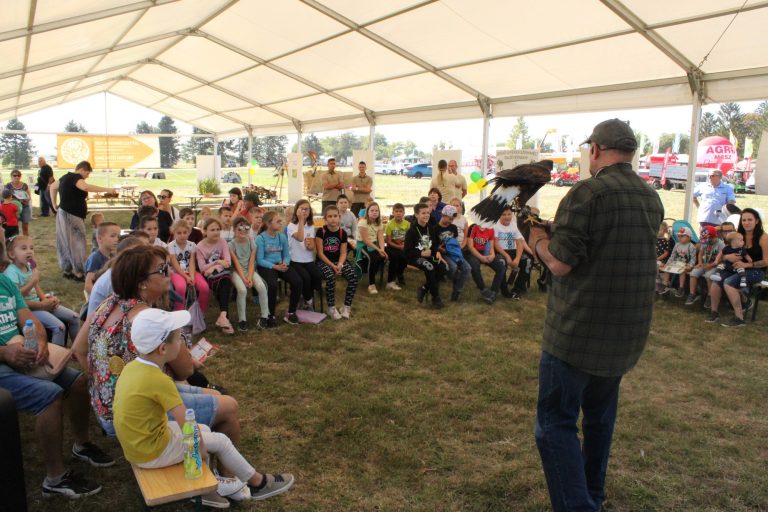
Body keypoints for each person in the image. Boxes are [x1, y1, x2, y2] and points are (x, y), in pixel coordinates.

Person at [528, 118, 664, 512]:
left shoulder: (587, 193)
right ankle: (593, 497)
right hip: (624, 336)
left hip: (576, 335)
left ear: (596, 150)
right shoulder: (651, 197)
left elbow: (560, 264)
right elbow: (608, 243)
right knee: (599, 422)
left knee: (554, 425)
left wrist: (537, 238)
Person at [113, 308, 294, 504]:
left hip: (138, 446)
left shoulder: (132, 367)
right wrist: (200, 450)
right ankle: (258, 483)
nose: (181, 343)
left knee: (205, 430)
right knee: (219, 441)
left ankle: (208, 489)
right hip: (152, 452)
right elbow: (187, 425)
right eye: (179, 339)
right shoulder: (159, 380)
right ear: (163, 349)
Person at [72, 246, 242, 445]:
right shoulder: (149, 319)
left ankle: (204, 454)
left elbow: (78, 349)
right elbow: (185, 370)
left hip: (110, 409)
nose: (169, 272)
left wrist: (103, 384)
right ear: (142, 283)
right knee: (229, 406)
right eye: (162, 269)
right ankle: (214, 463)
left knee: (215, 394)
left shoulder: (107, 305)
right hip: (138, 414)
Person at [0, 248, 112, 499]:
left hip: (21, 351)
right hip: (3, 363)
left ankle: (81, 445)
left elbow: (29, 318)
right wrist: (5, 353)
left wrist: (40, 342)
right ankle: (55, 479)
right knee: (49, 396)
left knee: (78, 382)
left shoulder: (4, 282)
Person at [2, 236, 81, 347]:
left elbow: (36, 287)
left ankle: (77, 350)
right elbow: (16, 296)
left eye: (31, 248)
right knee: (59, 327)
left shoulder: (29, 266)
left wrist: (45, 300)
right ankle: (56, 355)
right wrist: (33, 282)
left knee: (75, 317)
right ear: (12, 254)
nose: (29, 251)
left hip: (39, 303)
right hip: (29, 309)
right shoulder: (11, 272)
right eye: (24, 248)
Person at [50, 161, 115, 282]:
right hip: (72, 216)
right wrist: (108, 189)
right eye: (87, 173)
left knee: (65, 242)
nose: (87, 177)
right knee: (78, 242)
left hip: (63, 213)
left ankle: (67, 270)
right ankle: (79, 273)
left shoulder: (65, 177)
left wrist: (54, 204)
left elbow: (53, 187)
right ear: (82, 169)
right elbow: (85, 187)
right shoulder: (75, 177)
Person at [707, 208, 767, 327]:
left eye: (750, 220)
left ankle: (739, 318)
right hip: (735, 267)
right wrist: (727, 257)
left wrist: (747, 264)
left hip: (755, 271)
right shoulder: (738, 235)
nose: (746, 223)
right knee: (716, 280)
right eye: (744, 220)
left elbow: (766, 261)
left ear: (757, 221)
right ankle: (714, 312)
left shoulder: (764, 238)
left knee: (729, 282)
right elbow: (724, 252)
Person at [256, 211, 302, 326]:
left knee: (297, 281)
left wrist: (285, 263)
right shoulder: (260, 238)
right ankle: (270, 315)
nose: (281, 223)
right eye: (278, 221)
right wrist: (274, 266)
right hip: (267, 266)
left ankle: (291, 312)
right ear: (268, 223)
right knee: (272, 285)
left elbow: (286, 255)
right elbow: (260, 260)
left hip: (280, 265)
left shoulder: (281, 237)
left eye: (280, 221)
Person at [315, 205, 357, 320]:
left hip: (338, 261)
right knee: (330, 276)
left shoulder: (342, 233)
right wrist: (332, 266)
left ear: (339, 217)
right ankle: (331, 308)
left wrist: (339, 265)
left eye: (335, 216)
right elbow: (320, 253)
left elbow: (343, 253)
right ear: (325, 219)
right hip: (323, 262)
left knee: (353, 277)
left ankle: (346, 307)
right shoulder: (321, 231)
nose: (333, 219)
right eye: (330, 216)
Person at [229, 216, 269, 331]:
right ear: (234, 229)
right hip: (236, 272)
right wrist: (244, 278)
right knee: (242, 290)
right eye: (239, 228)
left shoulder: (252, 242)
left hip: (250, 270)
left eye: (246, 228)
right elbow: (236, 264)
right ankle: (242, 320)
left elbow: (252, 262)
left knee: (261, 287)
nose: (243, 230)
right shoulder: (231, 245)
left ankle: (265, 316)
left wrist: (250, 277)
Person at [196, 218, 234, 334]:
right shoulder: (199, 247)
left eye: (218, 229)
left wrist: (214, 268)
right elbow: (203, 268)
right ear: (205, 231)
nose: (216, 232)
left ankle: (223, 317)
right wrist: (217, 262)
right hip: (207, 277)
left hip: (220, 273)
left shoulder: (222, 242)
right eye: (212, 230)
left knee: (225, 281)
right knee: (224, 283)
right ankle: (225, 320)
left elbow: (227, 262)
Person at [404, 203, 444, 309]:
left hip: (429, 256)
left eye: (428, 213)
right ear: (417, 215)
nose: (426, 215)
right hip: (414, 257)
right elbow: (407, 252)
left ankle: (424, 288)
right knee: (430, 268)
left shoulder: (431, 228)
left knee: (442, 268)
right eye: (423, 213)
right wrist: (420, 253)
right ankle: (435, 297)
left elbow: (434, 245)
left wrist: (437, 252)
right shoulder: (411, 231)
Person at [167, 219, 209, 314]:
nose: (182, 235)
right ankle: (179, 313)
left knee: (204, 287)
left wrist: (192, 276)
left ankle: (200, 313)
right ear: (174, 233)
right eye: (179, 233)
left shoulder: (192, 245)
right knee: (180, 287)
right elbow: (175, 264)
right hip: (176, 272)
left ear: (189, 232)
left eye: (185, 232)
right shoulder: (171, 246)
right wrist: (186, 277)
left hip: (190, 271)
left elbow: (192, 262)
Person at [286, 199, 322, 310]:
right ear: (296, 210)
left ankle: (305, 294)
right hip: (295, 260)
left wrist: (310, 246)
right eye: (301, 209)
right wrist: (301, 220)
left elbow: (312, 245)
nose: (304, 211)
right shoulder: (291, 225)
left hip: (308, 259)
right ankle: (308, 299)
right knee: (305, 277)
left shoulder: (310, 225)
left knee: (317, 276)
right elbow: (300, 238)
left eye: (307, 209)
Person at [494, 205, 532, 300]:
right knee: (502, 263)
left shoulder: (513, 224)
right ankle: (505, 291)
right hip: (501, 251)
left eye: (509, 214)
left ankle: (517, 289)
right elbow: (496, 244)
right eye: (504, 215)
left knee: (527, 262)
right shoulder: (495, 226)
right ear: (499, 215)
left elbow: (519, 242)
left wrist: (517, 259)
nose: (507, 217)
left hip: (513, 250)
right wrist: (507, 257)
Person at [434, 204, 470, 302]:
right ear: (443, 215)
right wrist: (441, 249)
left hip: (453, 252)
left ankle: (457, 290)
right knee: (453, 268)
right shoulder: (435, 228)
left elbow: (454, 241)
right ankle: (454, 278)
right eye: (449, 219)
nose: (451, 221)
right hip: (443, 254)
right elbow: (434, 246)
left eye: (452, 219)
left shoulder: (453, 227)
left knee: (467, 268)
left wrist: (456, 250)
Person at [465, 222, 506, 304]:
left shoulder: (491, 228)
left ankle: (494, 292)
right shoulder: (473, 227)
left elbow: (491, 246)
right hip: (473, 253)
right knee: (474, 266)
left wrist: (492, 255)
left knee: (501, 266)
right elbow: (470, 247)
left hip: (485, 252)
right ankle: (483, 289)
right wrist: (481, 257)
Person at [685, 225, 724, 305]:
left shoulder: (721, 244)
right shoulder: (705, 242)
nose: (707, 241)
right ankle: (692, 294)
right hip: (704, 264)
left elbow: (721, 259)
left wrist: (711, 266)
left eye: (709, 239)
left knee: (709, 276)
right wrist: (700, 263)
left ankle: (710, 296)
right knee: (693, 273)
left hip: (715, 265)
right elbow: (701, 253)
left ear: (715, 236)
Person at [357, 201, 388, 294]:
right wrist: (378, 249)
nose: (374, 212)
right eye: (372, 210)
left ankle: (378, 276)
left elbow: (381, 238)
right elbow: (366, 240)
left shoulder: (379, 223)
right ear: (367, 212)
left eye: (376, 211)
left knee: (382, 256)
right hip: (363, 245)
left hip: (374, 244)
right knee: (373, 258)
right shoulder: (362, 222)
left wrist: (382, 249)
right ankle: (371, 284)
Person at [658, 226, 697, 297]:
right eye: (679, 236)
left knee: (682, 271)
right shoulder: (677, 245)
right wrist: (667, 264)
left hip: (685, 264)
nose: (679, 238)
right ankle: (665, 285)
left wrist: (690, 266)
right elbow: (672, 256)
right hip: (676, 263)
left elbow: (693, 259)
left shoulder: (691, 247)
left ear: (689, 237)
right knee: (666, 269)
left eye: (682, 236)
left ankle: (681, 288)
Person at [84, 221, 120, 295]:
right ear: (100, 238)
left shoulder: (113, 256)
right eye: (112, 236)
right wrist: (103, 298)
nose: (117, 239)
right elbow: (88, 286)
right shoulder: (95, 258)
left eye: (118, 236)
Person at [384, 203, 410, 289]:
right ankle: (390, 280)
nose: (398, 213)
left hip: (403, 246)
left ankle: (399, 273)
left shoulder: (407, 224)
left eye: (400, 211)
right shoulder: (390, 225)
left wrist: (405, 245)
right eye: (396, 211)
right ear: (393, 213)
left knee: (405, 258)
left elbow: (409, 238)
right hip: (392, 247)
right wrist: (399, 247)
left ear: (404, 213)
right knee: (395, 257)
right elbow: (388, 241)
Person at [5, 170, 31, 236]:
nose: (17, 177)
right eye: (15, 175)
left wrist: (27, 199)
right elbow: (5, 197)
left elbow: (28, 196)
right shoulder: (8, 186)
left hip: (24, 207)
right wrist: (13, 199)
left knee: (25, 226)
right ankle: (16, 240)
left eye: (18, 175)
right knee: (15, 227)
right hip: (12, 208)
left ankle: (25, 239)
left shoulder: (24, 185)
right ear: (11, 176)